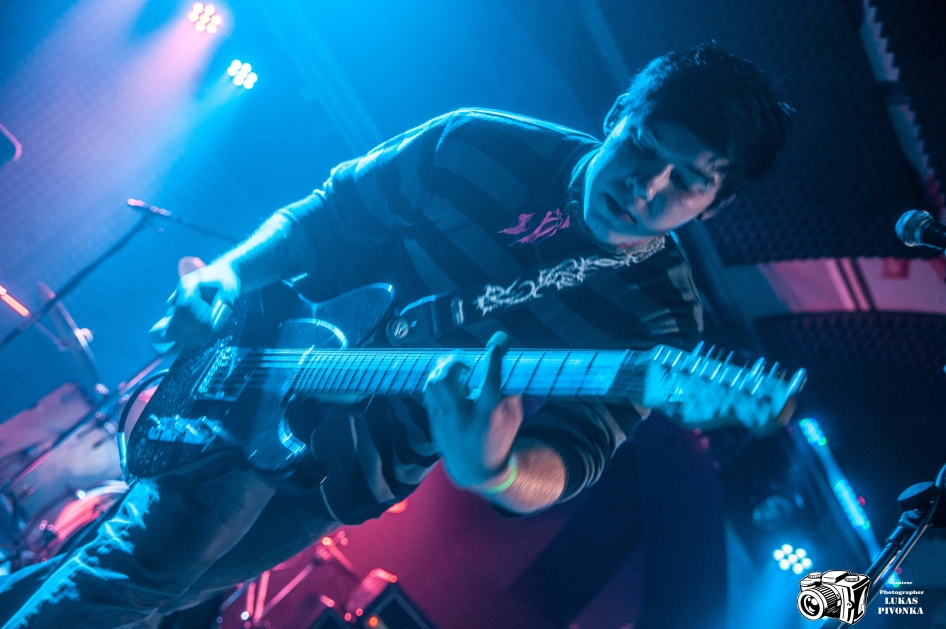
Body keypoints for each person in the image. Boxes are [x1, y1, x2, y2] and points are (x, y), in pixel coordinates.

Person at [0, 44, 791, 628]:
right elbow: (328, 214)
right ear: (617, 117)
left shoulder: (659, 318)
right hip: (261, 374)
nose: (646, 186)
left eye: (687, 180)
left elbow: (574, 453)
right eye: (643, 147)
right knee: (137, 572)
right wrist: (231, 276)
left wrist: (494, 468)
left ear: (715, 204)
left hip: (349, 475)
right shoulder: (479, 141)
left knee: (150, 588)